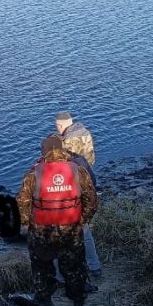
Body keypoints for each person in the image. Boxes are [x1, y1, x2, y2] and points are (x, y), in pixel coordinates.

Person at [17, 134, 98, 306]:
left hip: (42, 231)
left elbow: (22, 203)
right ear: (62, 150)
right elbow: (92, 200)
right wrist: (82, 219)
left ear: (43, 152)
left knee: (42, 271)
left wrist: (26, 224)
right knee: (75, 270)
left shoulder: (33, 174)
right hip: (71, 230)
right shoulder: (78, 170)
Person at [56, 111, 103, 280]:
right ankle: (94, 266)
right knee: (84, 229)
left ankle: (63, 274)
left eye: (57, 125)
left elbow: (63, 166)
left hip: (71, 188)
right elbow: (90, 158)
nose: (57, 128)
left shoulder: (66, 141)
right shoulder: (84, 132)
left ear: (61, 125)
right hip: (87, 178)